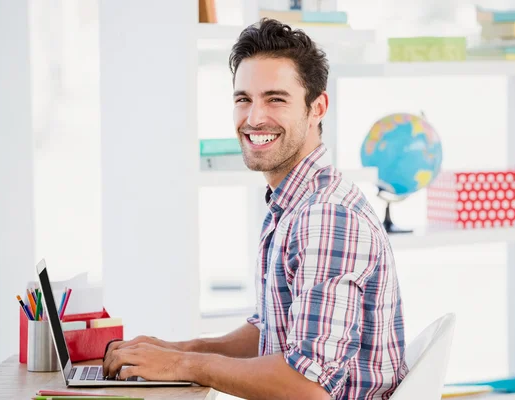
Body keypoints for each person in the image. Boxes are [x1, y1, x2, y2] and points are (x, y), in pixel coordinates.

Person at [103, 18, 407, 400]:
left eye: (275, 99)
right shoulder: (293, 204)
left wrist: (184, 366)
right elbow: (271, 333)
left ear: (318, 108)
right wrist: (175, 350)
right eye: (243, 99)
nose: (254, 118)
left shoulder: (327, 215)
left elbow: (307, 388)